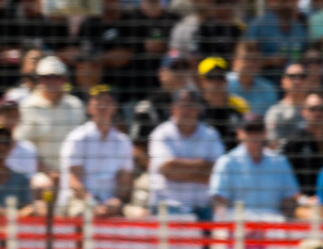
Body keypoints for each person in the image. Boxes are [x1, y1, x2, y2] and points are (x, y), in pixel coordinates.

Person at [149, 88, 224, 220]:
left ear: (199, 109)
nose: (187, 110)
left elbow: (218, 172)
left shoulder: (211, 135)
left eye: (191, 106)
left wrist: (180, 171)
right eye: (182, 105)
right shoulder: (161, 134)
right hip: (168, 206)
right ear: (173, 108)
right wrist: (203, 167)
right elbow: (168, 170)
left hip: (203, 208)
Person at [58, 85, 132, 215]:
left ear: (115, 108)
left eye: (108, 102)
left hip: (110, 202)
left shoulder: (123, 141)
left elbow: (124, 180)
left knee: (140, 214)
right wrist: (92, 204)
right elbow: (74, 180)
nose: (103, 106)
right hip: (79, 201)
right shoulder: (77, 138)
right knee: (89, 215)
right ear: (89, 108)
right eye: (98, 101)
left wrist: (117, 200)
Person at [208, 114, 299, 219]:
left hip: (272, 226)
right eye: (249, 130)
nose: (254, 134)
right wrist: (224, 230)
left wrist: (283, 226)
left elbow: (289, 199)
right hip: (239, 226)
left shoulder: (280, 162)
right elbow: (219, 201)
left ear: (265, 132)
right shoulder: (227, 162)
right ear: (240, 133)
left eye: (258, 129)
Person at [18, 56, 87, 169]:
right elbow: (23, 147)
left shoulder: (75, 105)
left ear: (64, 79)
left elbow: (85, 143)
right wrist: (48, 172)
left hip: (74, 171)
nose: (51, 81)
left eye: (56, 77)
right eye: (46, 77)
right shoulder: (28, 106)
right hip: (40, 172)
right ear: (39, 79)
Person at [245, 0, 308, 71]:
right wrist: (270, 61)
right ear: (268, 0)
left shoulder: (300, 28)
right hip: (265, 82)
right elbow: (246, 60)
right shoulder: (257, 26)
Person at [197, 57, 247, 147]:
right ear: (201, 82)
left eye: (221, 76)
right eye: (211, 77)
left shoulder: (238, 105)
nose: (217, 81)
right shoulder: (194, 108)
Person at [226, 40, 277, 116]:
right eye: (246, 59)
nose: (251, 64)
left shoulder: (268, 89)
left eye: (255, 60)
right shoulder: (223, 84)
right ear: (234, 61)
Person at [265, 61, 311, 144]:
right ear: (283, 82)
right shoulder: (276, 112)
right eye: (292, 77)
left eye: (302, 77)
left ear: (308, 81)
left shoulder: (318, 108)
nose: (297, 81)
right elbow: (273, 146)